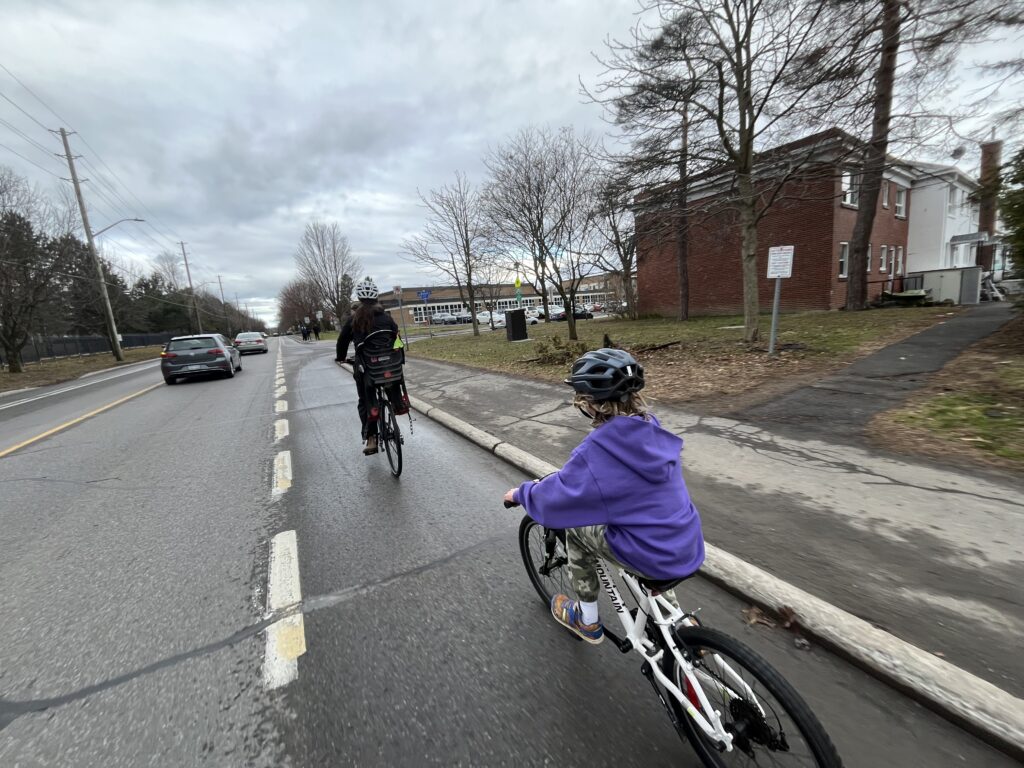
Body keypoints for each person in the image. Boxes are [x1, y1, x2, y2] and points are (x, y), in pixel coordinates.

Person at [504, 348, 705, 644]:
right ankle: (676, 620)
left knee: (576, 529)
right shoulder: (651, 427)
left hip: (649, 553)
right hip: (685, 541)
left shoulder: (597, 451)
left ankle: (586, 620)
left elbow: (558, 497)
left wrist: (522, 493)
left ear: (589, 403)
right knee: (650, 532)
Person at [336, 277, 409, 455]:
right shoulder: (387, 318)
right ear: (376, 298)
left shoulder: (354, 320)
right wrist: (399, 357)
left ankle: (371, 439)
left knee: (364, 401)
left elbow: (342, 342)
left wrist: (341, 357)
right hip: (391, 366)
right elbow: (398, 341)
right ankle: (398, 404)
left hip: (368, 369)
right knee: (392, 379)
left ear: (360, 300)